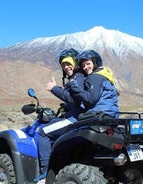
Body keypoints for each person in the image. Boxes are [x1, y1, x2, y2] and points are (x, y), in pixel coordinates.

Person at [34, 48, 85, 182]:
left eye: (69, 63)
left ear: (75, 62)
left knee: (42, 133)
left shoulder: (78, 78)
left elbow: (74, 98)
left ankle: (45, 172)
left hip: (74, 119)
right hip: (74, 117)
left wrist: (54, 88)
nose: (66, 67)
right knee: (52, 123)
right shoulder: (78, 77)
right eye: (63, 65)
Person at [68, 49, 119, 119]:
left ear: (95, 63)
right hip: (110, 114)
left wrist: (73, 86)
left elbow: (90, 99)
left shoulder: (95, 77)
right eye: (83, 65)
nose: (85, 67)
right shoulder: (104, 75)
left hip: (99, 114)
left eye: (88, 64)